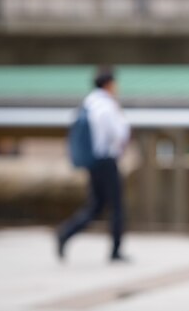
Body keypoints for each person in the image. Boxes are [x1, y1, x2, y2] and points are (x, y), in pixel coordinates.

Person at [57, 67, 131, 262]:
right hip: (106, 160)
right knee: (116, 206)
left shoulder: (88, 102)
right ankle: (115, 250)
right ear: (109, 84)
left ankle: (66, 233)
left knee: (96, 206)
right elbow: (120, 132)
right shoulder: (107, 105)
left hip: (93, 161)